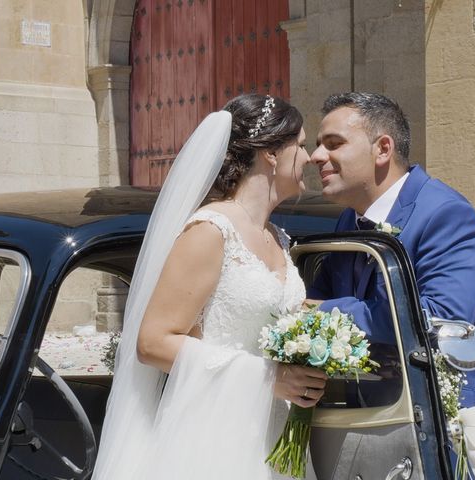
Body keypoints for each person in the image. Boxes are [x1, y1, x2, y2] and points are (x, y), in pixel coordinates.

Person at [92, 94, 325, 479]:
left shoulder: (278, 238)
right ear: (270, 152)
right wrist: (268, 377)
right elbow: (153, 341)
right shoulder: (211, 231)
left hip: (271, 436)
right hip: (211, 436)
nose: (309, 158)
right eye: (300, 145)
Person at [307, 92, 475, 479]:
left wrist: (317, 313)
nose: (316, 156)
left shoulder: (445, 213)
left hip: (452, 438)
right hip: (379, 432)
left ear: (382, 149)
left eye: (333, 144)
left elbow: (439, 319)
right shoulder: (348, 220)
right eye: (316, 146)